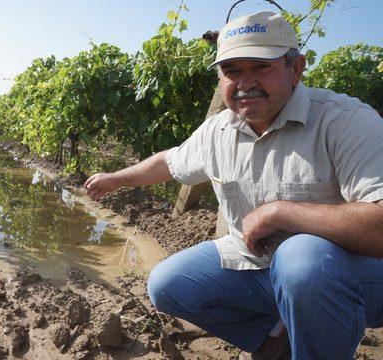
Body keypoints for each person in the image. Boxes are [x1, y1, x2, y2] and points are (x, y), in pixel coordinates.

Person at [84, 10, 383, 360]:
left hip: (349, 279)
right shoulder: (220, 130)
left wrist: (279, 213)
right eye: (232, 71)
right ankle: (273, 341)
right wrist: (114, 179)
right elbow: (170, 161)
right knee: (167, 284)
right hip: (261, 269)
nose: (245, 82)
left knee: (301, 260)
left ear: (296, 68)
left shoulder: (344, 121)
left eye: (261, 67)